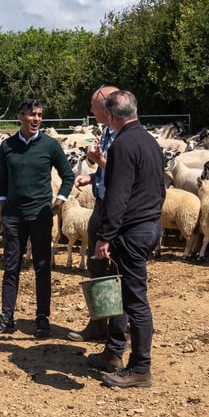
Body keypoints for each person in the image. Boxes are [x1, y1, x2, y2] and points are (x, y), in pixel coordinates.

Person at [87, 90, 165, 388]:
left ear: (109, 116)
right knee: (124, 293)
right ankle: (113, 353)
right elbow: (161, 188)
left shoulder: (121, 145)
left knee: (135, 300)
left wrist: (105, 237)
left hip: (131, 231)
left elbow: (117, 197)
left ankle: (140, 367)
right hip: (149, 226)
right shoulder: (150, 142)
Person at [0, 98, 75, 338]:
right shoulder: (7, 146)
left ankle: (42, 318)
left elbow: (68, 174)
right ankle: (6, 316)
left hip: (40, 214)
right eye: (32, 114)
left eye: (40, 115)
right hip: (13, 215)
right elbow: (2, 178)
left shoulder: (50, 145)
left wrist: (60, 199)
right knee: (11, 265)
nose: (36, 119)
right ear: (20, 116)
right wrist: (2, 204)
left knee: (42, 266)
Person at [67, 84, 120, 342]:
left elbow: (122, 173)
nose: (90, 110)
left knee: (117, 268)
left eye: (93, 106)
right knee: (96, 265)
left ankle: (122, 329)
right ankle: (99, 323)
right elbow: (108, 168)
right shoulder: (108, 132)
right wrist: (93, 176)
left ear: (107, 107)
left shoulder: (124, 134)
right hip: (101, 204)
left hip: (116, 209)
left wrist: (100, 164)